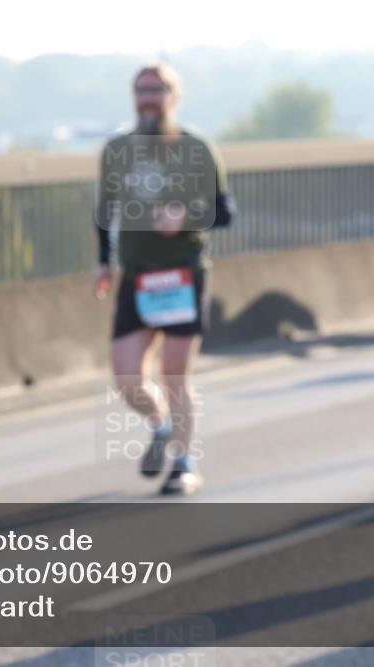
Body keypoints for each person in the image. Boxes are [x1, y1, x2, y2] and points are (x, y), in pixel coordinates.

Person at [93, 63, 236, 495]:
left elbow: (225, 212)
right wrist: (103, 262)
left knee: (174, 374)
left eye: (158, 90)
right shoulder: (117, 150)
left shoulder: (196, 149)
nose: (149, 98)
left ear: (174, 96)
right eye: (142, 90)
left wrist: (185, 217)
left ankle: (185, 463)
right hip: (136, 275)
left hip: (182, 274)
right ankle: (161, 426)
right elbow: (105, 211)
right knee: (126, 379)